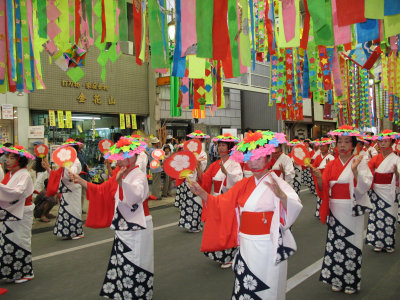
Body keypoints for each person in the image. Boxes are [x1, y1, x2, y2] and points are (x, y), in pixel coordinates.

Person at [189, 130, 302, 299]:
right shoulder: (244, 184)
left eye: (259, 158)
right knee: (246, 286)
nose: (254, 163)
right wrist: (203, 194)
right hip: (246, 243)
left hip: (267, 244)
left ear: (268, 158)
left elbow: (294, 206)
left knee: (265, 286)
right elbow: (222, 202)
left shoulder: (277, 184)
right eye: (250, 158)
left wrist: (282, 197)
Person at [71, 136, 154, 300]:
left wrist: (122, 183)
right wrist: (81, 181)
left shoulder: (139, 175)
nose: (122, 160)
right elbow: (102, 191)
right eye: (120, 157)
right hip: (122, 224)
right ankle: (123, 291)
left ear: (134, 156)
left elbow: (136, 195)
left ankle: (137, 293)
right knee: (123, 259)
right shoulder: (119, 174)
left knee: (136, 260)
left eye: (126, 156)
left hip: (138, 225)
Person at [311, 125, 373, 294]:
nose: (343, 145)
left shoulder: (359, 162)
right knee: (335, 245)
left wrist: (355, 172)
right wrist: (319, 178)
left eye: (347, 141)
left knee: (352, 243)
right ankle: (337, 279)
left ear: (353, 144)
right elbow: (324, 188)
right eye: (340, 142)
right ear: (336, 144)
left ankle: (351, 281)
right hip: (335, 209)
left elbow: (365, 186)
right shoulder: (331, 164)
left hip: (351, 208)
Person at [198, 134, 243, 268]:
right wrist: (196, 167)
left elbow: (238, 181)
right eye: (219, 145)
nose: (220, 148)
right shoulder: (215, 164)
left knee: (227, 228)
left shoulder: (235, 163)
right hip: (217, 198)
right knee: (217, 227)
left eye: (224, 145)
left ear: (230, 147)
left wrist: (227, 174)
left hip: (229, 199)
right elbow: (205, 179)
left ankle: (230, 255)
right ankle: (219, 252)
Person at [0, 145, 36, 284]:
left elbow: (17, 192)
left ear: (20, 160)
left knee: (20, 240)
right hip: (10, 212)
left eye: (11, 157)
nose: (7, 160)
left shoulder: (24, 174)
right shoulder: (9, 174)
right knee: (8, 240)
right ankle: (11, 271)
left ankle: (26, 271)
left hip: (22, 212)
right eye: (7, 157)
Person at [365, 130, 400, 253]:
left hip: (390, 190)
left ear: (391, 142)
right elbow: (368, 173)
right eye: (381, 141)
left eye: (386, 141)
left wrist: (396, 174)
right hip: (377, 191)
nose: (383, 143)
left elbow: (398, 177)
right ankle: (378, 242)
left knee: (389, 216)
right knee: (377, 217)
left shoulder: (396, 158)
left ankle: (389, 243)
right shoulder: (375, 158)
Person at [44, 139, 84, 240]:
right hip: (66, 189)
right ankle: (68, 232)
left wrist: (72, 173)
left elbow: (74, 170)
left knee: (74, 211)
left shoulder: (76, 161)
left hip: (73, 189)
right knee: (65, 211)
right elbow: (57, 175)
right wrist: (48, 168)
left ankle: (78, 232)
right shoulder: (65, 163)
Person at [176, 131, 209, 233]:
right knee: (188, 203)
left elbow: (202, 168)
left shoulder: (202, 153)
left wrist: (197, 163)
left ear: (201, 141)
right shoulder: (188, 152)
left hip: (196, 181)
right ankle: (189, 224)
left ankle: (196, 225)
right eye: (194, 140)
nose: (196, 142)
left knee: (196, 203)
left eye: (198, 140)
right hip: (188, 180)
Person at [311, 138, 335, 218]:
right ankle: (319, 212)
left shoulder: (331, 157)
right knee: (320, 195)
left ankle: (328, 212)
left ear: (328, 147)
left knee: (328, 195)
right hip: (319, 178)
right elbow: (313, 167)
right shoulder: (318, 157)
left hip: (327, 178)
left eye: (324, 146)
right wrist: (312, 168)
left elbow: (333, 171)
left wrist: (328, 166)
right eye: (320, 146)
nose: (321, 148)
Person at [76, 138, 89, 214]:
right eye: (81, 143)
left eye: (83, 143)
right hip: (78, 175)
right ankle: (78, 209)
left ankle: (81, 208)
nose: (82, 145)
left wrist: (86, 165)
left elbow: (84, 162)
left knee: (83, 194)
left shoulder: (83, 153)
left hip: (84, 176)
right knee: (78, 193)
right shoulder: (75, 153)